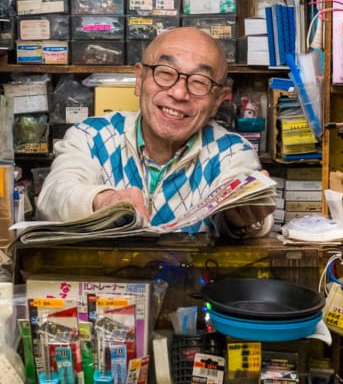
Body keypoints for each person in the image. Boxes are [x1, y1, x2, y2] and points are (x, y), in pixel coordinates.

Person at [37, 27, 275, 238]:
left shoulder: (232, 152)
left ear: (217, 101)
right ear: (139, 79)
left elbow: (250, 206)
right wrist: (102, 200)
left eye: (200, 81)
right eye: (165, 73)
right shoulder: (91, 135)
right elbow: (54, 197)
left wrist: (245, 218)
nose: (179, 93)